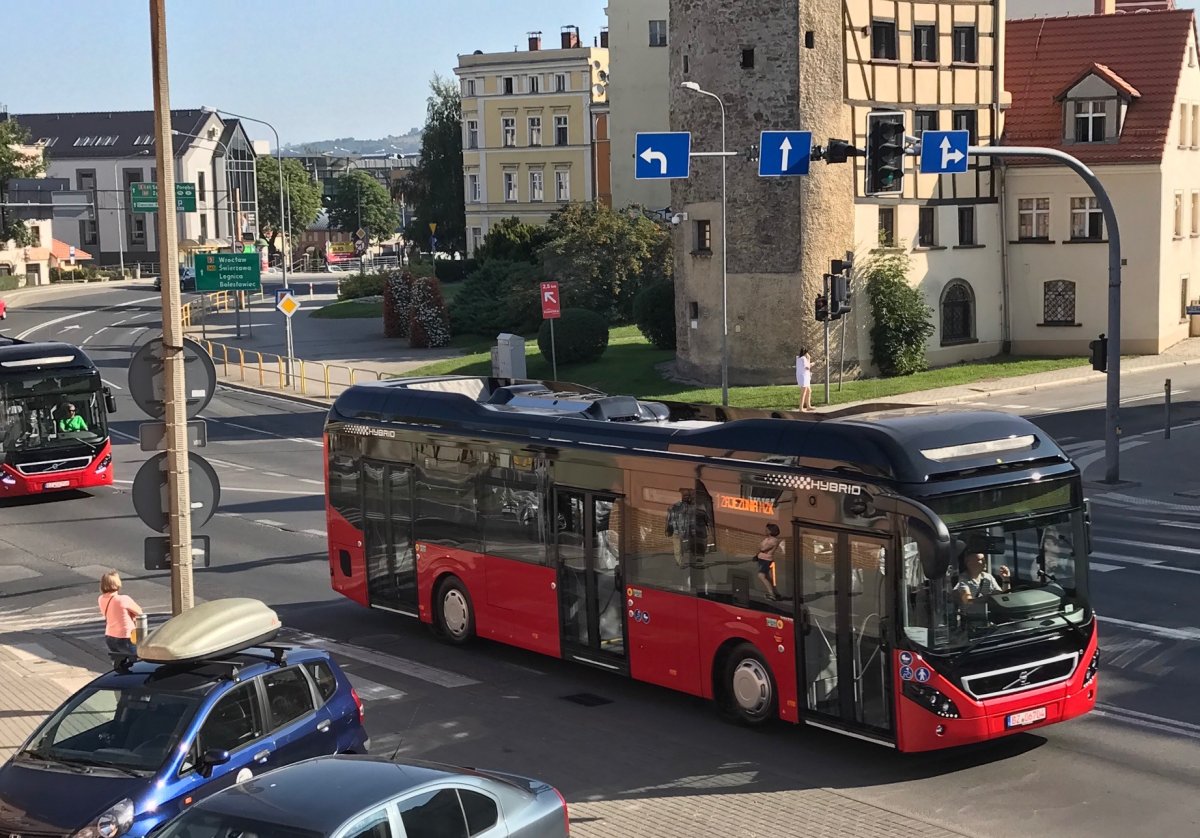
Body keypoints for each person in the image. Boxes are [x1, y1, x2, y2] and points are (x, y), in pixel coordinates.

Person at [98, 570, 143, 658]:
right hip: (125, 637)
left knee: (120, 662)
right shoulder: (123, 599)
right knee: (136, 661)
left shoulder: (101, 599)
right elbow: (139, 612)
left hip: (110, 637)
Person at [666, 488, 702, 568]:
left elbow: (670, 519)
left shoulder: (676, 507)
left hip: (680, 531)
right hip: (681, 531)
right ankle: (680, 561)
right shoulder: (688, 507)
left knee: (679, 547)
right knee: (679, 547)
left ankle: (680, 561)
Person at [755, 523, 783, 600]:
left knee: (761, 576)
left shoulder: (774, 541)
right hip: (761, 559)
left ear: (771, 531)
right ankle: (776, 593)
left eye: (767, 530)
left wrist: (761, 548)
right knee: (767, 577)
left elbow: (763, 548)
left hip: (766, 560)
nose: (765, 531)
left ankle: (772, 594)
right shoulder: (767, 539)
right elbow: (760, 547)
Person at [796, 348, 814, 412]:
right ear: (806, 352)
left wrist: (808, 359)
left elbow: (806, 366)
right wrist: (811, 362)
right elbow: (807, 367)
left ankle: (808, 406)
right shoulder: (803, 358)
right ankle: (801, 408)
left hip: (805, 376)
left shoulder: (799, 358)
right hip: (803, 377)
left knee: (809, 390)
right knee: (803, 392)